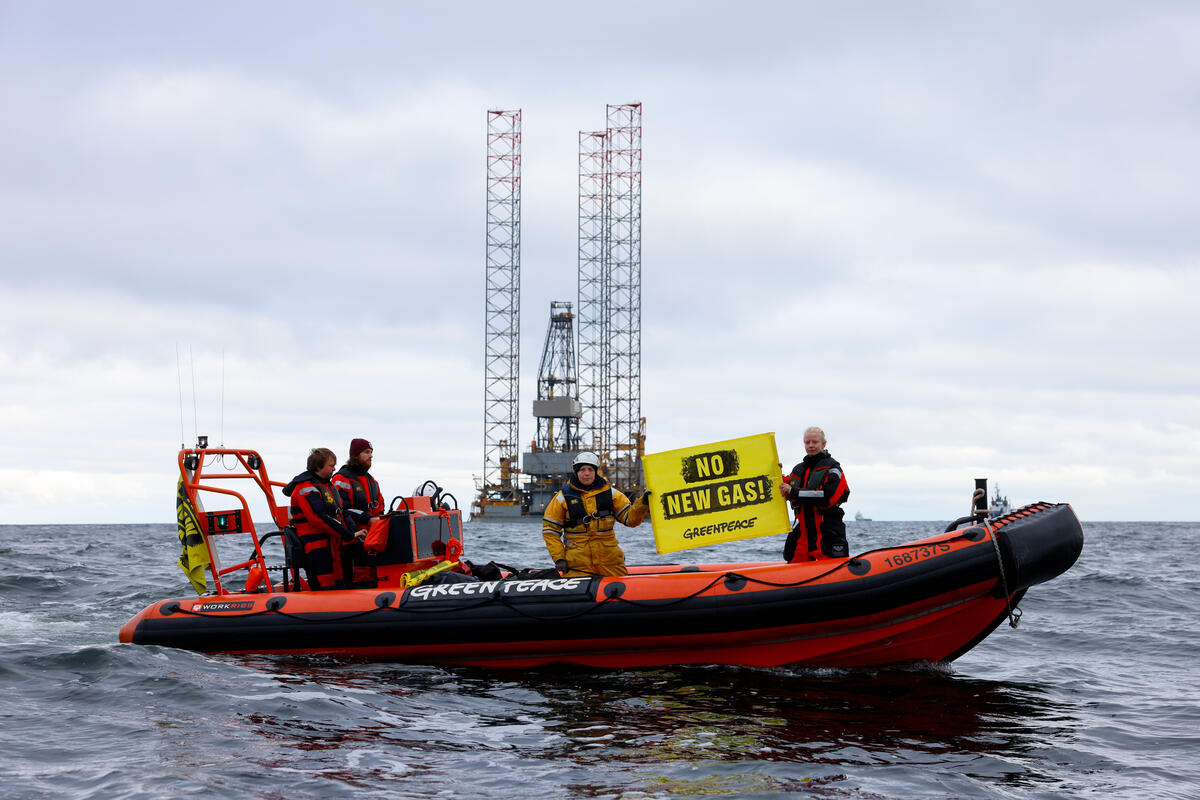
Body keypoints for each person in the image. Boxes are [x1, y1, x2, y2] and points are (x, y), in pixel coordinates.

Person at [541, 452, 650, 577]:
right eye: (582, 469)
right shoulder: (562, 498)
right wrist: (559, 558)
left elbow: (630, 520)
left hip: (610, 563)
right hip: (577, 565)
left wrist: (643, 503)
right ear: (576, 472)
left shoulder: (612, 494)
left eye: (590, 469)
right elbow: (550, 531)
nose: (586, 473)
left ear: (595, 471)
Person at [283, 447, 365, 590]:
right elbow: (319, 518)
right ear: (319, 466)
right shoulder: (306, 487)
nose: (334, 469)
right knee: (324, 582)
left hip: (332, 542)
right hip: (317, 544)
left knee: (339, 581)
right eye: (331, 466)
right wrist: (348, 535)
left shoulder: (326, 485)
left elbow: (339, 512)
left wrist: (352, 534)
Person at [780, 427, 850, 562]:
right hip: (804, 531)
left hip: (826, 529)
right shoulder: (798, 469)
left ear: (823, 444)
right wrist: (776, 472)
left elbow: (827, 496)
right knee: (792, 559)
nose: (811, 445)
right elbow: (784, 487)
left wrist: (794, 492)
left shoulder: (833, 469)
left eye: (815, 442)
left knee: (833, 568)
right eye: (807, 442)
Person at [332, 438, 384, 587]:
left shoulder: (372, 481)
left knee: (371, 574)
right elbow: (342, 508)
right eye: (367, 452)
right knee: (358, 576)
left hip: (372, 539)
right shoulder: (341, 479)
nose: (371, 456)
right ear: (355, 455)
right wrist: (368, 519)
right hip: (352, 540)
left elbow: (380, 506)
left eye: (371, 452)